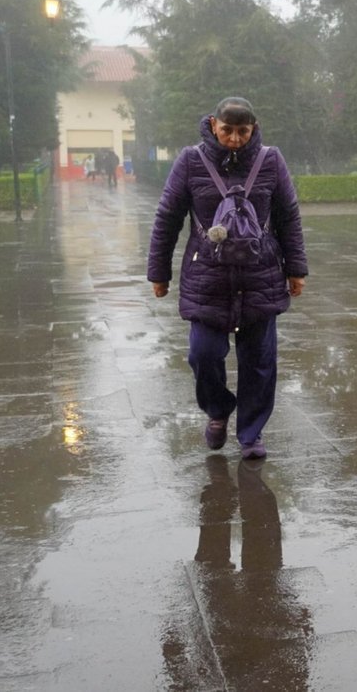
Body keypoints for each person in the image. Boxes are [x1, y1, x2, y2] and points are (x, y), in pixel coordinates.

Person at [146, 97, 307, 460]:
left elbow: (288, 217)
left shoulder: (270, 161)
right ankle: (217, 410)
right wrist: (159, 272)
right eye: (228, 131)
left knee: (259, 361)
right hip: (208, 279)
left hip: (260, 276)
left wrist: (296, 269)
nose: (235, 139)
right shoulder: (190, 161)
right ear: (213, 125)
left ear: (253, 128)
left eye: (242, 131)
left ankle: (251, 433)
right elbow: (167, 217)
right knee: (203, 354)